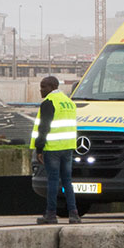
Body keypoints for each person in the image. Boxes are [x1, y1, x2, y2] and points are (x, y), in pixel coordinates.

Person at [32, 75, 81, 224]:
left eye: (43, 87)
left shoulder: (49, 103)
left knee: (53, 181)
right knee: (67, 181)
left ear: (52, 87)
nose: (41, 90)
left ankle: (51, 214)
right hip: (68, 147)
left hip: (52, 148)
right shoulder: (69, 102)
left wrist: (39, 149)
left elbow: (44, 127)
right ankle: (74, 214)